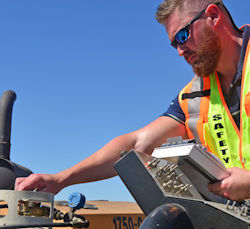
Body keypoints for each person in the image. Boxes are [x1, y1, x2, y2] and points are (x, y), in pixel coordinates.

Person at [15, 0, 250, 201]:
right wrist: (61, 179)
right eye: (174, 43)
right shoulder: (193, 97)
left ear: (212, 16)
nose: (180, 50)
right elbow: (137, 145)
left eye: (183, 35)